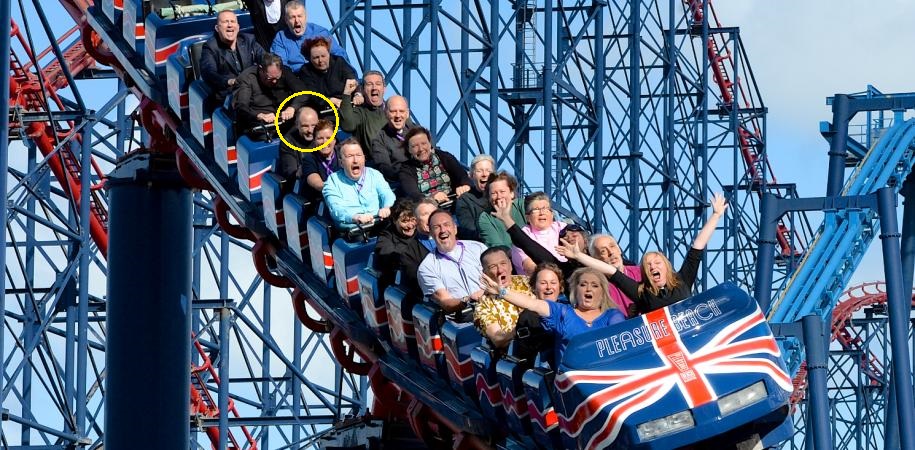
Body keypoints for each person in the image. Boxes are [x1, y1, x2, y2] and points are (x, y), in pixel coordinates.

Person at [560, 193, 728, 314]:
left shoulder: (682, 281)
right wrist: (579, 256)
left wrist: (716, 215)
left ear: (667, 266)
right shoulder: (641, 292)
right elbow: (611, 271)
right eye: (648, 265)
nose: (653, 266)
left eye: (657, 262)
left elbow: (697, 247)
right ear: (645, 272)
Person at [480, 267, 625, 364]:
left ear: (602, 291)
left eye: (595, 285)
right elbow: (532, 304)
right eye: (583, 284)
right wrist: (501, 291)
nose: (588, 289)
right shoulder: (562, 312)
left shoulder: (613, 316)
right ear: (575, 289)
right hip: (571, 383)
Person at [417, 209, 487, 322]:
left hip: (494, 305)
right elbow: (446, 302)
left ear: (455, 228)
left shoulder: (478, 248)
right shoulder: (427, 267)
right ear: (430, 232)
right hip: (464, 318)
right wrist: (468, 300)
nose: (443, 230)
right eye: (437, 227)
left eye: (446, 225)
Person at [322, 139, 396, 230]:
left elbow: (387, 193)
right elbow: (336, 209)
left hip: (379, 223)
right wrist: (355, 217)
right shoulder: (332, 181)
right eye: (350, 156)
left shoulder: (374, 174)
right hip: (353, 229)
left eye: (358, 155)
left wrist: (387, 207)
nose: (355, 160)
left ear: (364, 158)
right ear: (341, 162)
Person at [233, 53, 308, 139]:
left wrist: (292, 108)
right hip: (259, 123)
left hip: (284, 119)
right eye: (270, 79)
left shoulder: (285, 72)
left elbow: (304, 92)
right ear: (261, 69)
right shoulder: (247, 78)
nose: (274, 82)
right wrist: (259, 115)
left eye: (277, 78)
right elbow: (241, 106)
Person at [199, 10, 265, 109]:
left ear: (238, 27)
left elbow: (265, 58)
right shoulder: (210, 47)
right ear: (217, 28)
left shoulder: (249, 40)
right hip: (227, 97)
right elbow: (208, 73)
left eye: (232, 22)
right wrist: (229, 81)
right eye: (225, 22)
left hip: (252, 91)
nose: (230, 25)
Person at [473, 246, 533, 350]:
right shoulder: (483, 305)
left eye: (503, 263)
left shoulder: (529, 282)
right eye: (493, 267)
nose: (500, 270)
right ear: (485, 273)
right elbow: (498, 339)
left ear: (510, 265)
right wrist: (523, 328)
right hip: (518, 354)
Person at [269, 0, 348, 72]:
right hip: (297, 80)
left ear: (306, 17)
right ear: (286, 20)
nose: (297, 21)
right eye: (292, 17)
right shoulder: (280, 38)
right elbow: (280, 66)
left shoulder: (320, 33)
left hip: (322, 77)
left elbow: (340, 56)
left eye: (299, 16)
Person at [397, 127, 472, 202]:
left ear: (430, 144)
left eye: (424, 143)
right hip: (428, 208)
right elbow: (413, 194)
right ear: (409, 149)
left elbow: (462, 176)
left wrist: (465, 186)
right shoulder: (406, 169)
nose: (421, 149)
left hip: (455, 202)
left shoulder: (444, 157)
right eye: (415, 146)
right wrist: (431, 198)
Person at [512, 263, 565, 366]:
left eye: (553, 283)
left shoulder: (569, 309)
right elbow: (529, 353)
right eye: (543, 283)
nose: (549, 287)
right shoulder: (527, 317)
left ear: (560, 286)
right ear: (534, 287)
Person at [374, 199, 422, 299]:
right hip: (400, 285)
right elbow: (386, 253)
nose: (410, 225)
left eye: (413, 220)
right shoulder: (386, 236)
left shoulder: (421, 232)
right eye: (404, 221)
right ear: (395, 220)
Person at [510, 192, 567, 275]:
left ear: (551, 214)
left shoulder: (562, 228)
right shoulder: (521, 237)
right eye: (536, 210)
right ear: (527, 217)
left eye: (545, 208)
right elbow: (531, 268)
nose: (541, 213)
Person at [589, 233, 642, 317]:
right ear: (596, 260)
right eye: (603, 251)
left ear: (619, 249)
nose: (610, 253)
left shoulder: (641, 273)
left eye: (612, 246)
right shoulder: (597, 287)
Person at [297, 37, 356, 110]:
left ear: (329, 54)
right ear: (309, 59)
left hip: (347, 104)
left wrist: (358, 94)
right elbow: (311, 94)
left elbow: (351, 79)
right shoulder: (305, 71)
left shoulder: (339, 62)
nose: (320, 60)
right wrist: (330, 100)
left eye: (323, 56)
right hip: (323, 110)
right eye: (316, 57)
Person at [369, 96, 415, 182]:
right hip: (400, 182)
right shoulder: (379, 140)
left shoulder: (418, 132)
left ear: (407, 113)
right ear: (385, 113)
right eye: (393, 111)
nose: (398, 116)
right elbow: (385, 170)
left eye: (401, 111)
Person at [274, 106, 318, 192]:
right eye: (305, 126)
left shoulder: (324, 137)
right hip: (300, 187)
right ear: (297, 124)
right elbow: (291, 173)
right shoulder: (288, 142)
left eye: (313, 125)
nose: (310, 130)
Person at [477, 171, 526, 248]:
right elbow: (497, 247)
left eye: (502, 192)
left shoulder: (522, 205)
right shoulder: (485, 218)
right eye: (494, 193)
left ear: (511, 193)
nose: (499, 196)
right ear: (489, 197)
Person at [340, 72, 387, 151]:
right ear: (362, 89)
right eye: (369, 84)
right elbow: (347, 126)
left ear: (384, 89)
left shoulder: (393, 109)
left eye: (378, 84)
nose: (374, 87)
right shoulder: (360, 112)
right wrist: (347, 94)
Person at [297, 119, 338, 209]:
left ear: (334, 140)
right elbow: (317, 183)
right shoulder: (309, 159)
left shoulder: (343, 154)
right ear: (315, 141)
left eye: (328, 138)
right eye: (320, 138)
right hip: (319, 205)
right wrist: (338, 190)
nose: (324, 142)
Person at [454, 154, 494, 240]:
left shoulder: (502, 196)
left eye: (488, 171)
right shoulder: (464, 200)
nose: (484, 174)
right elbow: (469, 230)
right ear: (471, 175)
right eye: (479, 171)